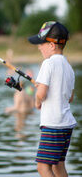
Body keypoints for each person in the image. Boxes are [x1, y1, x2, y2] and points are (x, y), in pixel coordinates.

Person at [28, 21, 77, 177]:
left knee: (43, 167)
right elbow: (70, 97)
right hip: (66, 125)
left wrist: (37, 101)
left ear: (52, 45)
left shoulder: (48, 64)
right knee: (58, 165)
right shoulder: (69, 68)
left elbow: (41, 95)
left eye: (41, 43)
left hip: (53, 125)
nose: (39, 47)